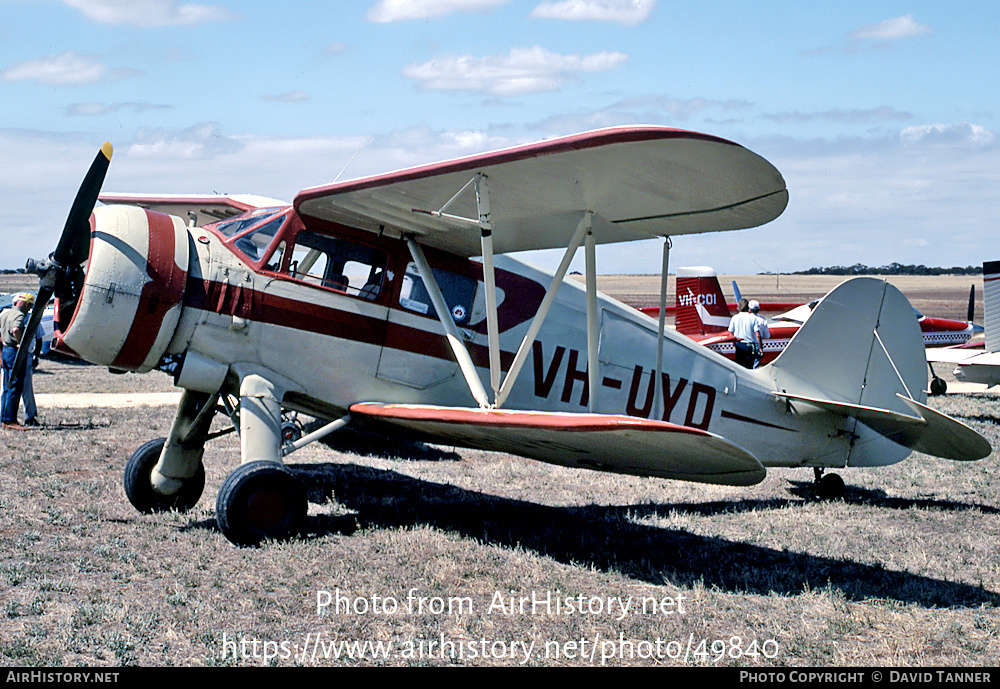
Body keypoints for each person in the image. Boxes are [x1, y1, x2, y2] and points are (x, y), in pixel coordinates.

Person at [1, 292, 34, 429]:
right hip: (15, 352)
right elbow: (15, 329)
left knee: (6, 387)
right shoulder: (19, 315)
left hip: (6, 350)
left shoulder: (5, 313)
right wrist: (21, 344)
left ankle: (3, 417)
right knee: (15, 386)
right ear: (26, 304)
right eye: (30, 307)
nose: (29, 310)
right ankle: (10, 420)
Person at [728, 298, 770, 369]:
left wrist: (735, 344)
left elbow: (731, 333)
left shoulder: (734, 318)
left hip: (739, 345)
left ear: (738, 308)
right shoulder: (753, 318)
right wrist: (760, 348)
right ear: (748, 308)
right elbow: (757, 334)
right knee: (750, 368)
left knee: (740, 367)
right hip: (750, 345)